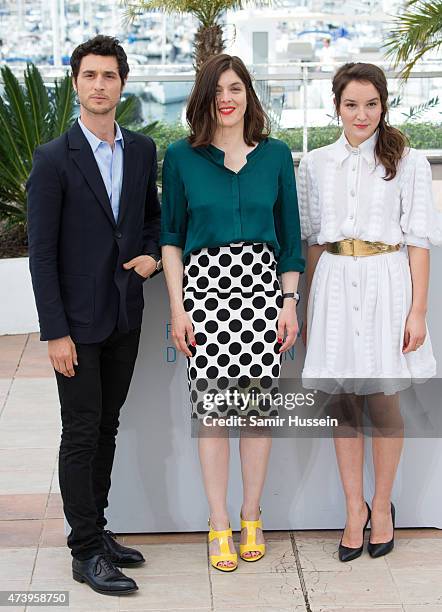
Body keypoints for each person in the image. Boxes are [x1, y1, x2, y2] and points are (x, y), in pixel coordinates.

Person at [27, 35, 161, 595]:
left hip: (125, 314)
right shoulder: (54, 158)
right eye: (90, 75)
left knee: (107, 426)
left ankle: (97, 531)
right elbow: (42, 253)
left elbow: (151, 220)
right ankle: (84, 551)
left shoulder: (141, 150)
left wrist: (152, 259)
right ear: (76, 83)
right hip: (76, 326)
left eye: (109, 75)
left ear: (122, 84)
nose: (100, 85)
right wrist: (55, 331)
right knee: (80, 432)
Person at [161, 54, 304, 572]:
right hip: (205, 298)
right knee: (214, 419)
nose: (227, 98)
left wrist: (289, 304)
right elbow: (171, 240)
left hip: (264, 295)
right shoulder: (180, 157)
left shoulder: (277, 157)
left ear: (249, 96)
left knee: (256, 418)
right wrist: (178, 309)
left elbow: (290, 240)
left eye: (236, 88)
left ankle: (251, 515)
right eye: (218, 89)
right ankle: (218, 521)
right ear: (205, 98)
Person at [298, 62, 442, 561]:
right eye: (351, 104)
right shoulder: (315, 163)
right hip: (334, 284)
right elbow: (312, 241)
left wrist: (418, 310)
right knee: (342, 404)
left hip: (388, 283)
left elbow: (420, 241)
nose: (361, 115)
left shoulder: (409, 161)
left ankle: (382, 506)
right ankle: (352, 509)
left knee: (382, 400)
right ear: (335, 106)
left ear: (384, 105)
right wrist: (303, 304)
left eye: (371, 104)